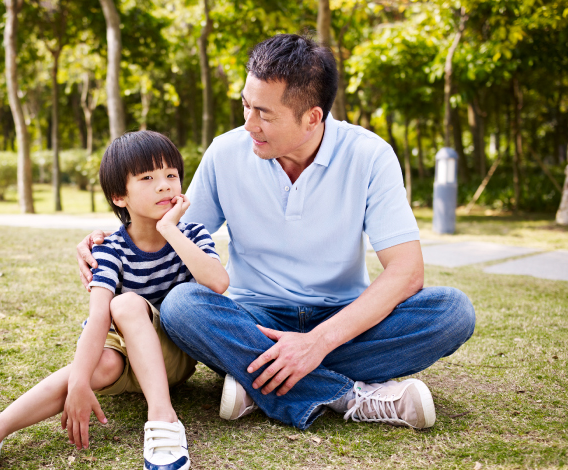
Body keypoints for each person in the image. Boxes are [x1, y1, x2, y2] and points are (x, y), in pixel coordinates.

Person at [77, 34, 476, 432]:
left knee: (452, 312)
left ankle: (258, 378)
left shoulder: (369, 156)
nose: (248, 123)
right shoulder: (226, 152)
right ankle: (348, 395)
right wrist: (110, 239)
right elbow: (169, 230)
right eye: (246, 105)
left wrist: (317, 342)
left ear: (312, 118)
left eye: (263, 114)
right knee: (184, 306)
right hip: (251, 316)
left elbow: (406, 273)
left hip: (341, 317)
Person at [0, 131, 229, 470]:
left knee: (126, 303)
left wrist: (168, 229)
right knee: (103, 352)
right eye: (147, 178)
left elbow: (217, 282)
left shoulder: (191, 233)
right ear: (119, 196)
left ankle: (164, 419)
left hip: (174, 356)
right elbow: (98, 316)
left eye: (171, 175)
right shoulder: (110, 248)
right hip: (124, 356)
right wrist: (80, 383)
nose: (164, 185)